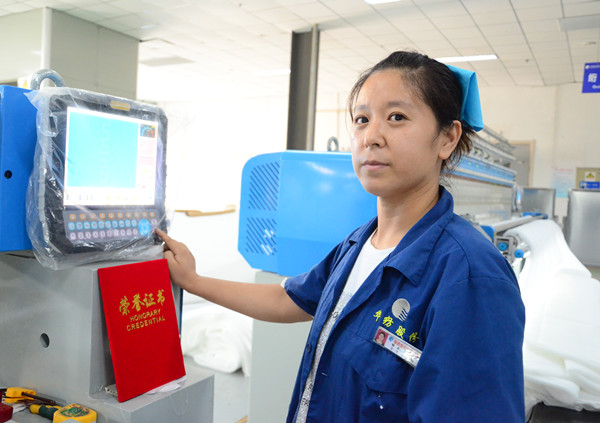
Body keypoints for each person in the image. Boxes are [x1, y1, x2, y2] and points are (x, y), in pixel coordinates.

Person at [156, 50, 525, 422]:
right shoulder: (359, 243)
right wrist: (194, 281)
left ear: (447, 138)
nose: (371, 137)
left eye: (397, 117)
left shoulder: (470, 275)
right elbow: (288, 299)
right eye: (362, 119)